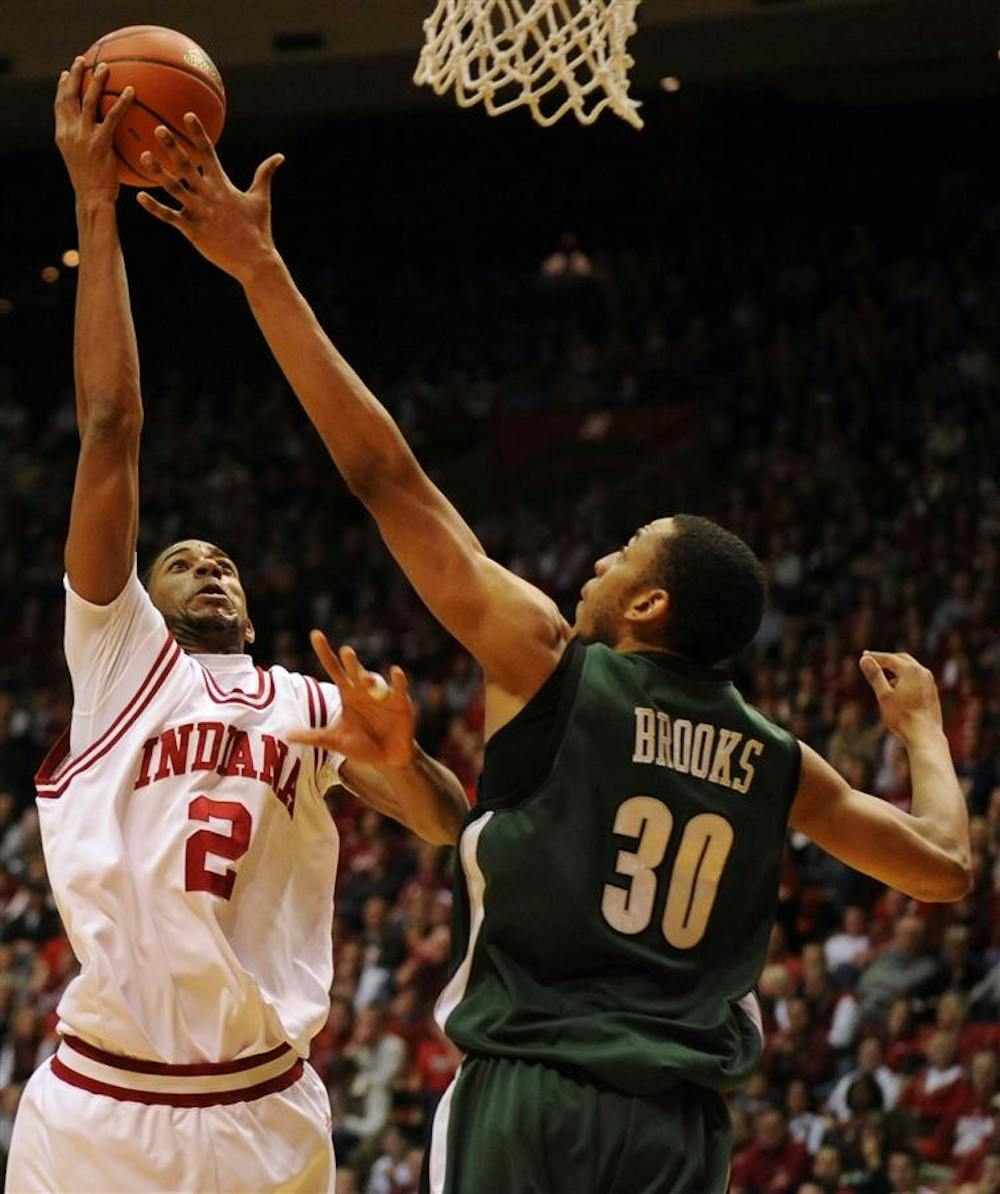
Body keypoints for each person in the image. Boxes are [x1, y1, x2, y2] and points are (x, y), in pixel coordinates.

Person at [138, 116, 972, 1194]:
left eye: (622, 554)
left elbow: (388, 477)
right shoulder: (776, 760)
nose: (597, 561)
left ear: (649, 605)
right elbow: (943, 868)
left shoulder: (551, 661)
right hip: (679, 1130)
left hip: (529, 1098)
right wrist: (921, 732)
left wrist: (259, 269)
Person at [5, 60, 468, 1194]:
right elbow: (110, 427)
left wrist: (403, 765)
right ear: (140, 597)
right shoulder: (117, 662)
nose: (208, 564)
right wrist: (93, 208)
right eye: (182, 559)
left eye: (224, 563)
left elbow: (447, 824)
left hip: (264, 1110)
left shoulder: (313, 702)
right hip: (100, 1108)